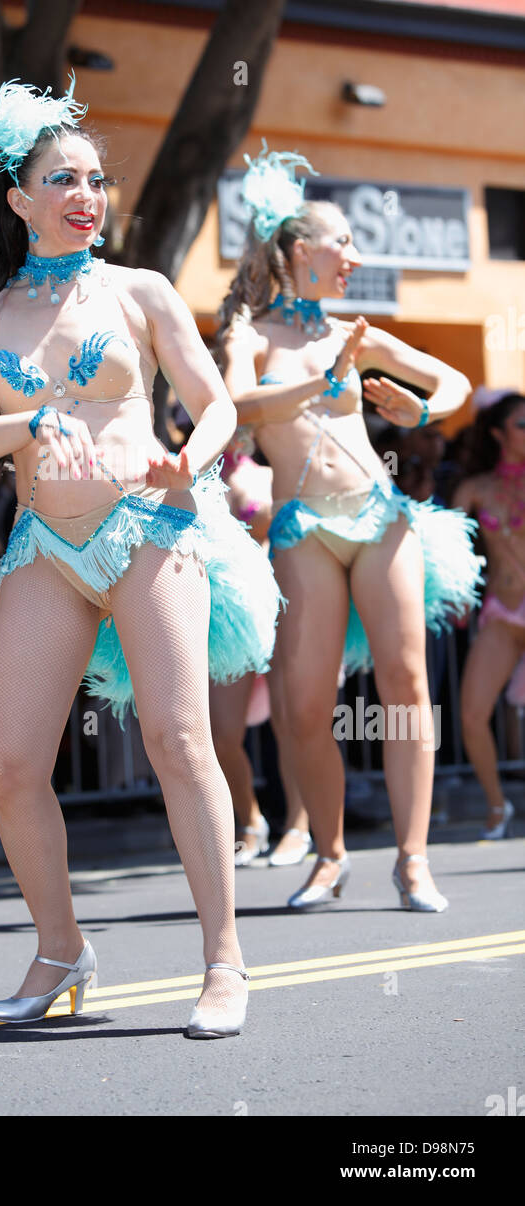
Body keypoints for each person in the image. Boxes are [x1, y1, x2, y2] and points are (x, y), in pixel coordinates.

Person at [0, 77, 282, 1038]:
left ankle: (223, 962)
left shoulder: (143, 290)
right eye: (62, 180)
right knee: (10, 763)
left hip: (146, 528)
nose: (87, 195)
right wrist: (29, 423)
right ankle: (61, 949)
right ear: (19, 199)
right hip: (46, 543)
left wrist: (190, 460)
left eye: (94, 179)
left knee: (178, 742)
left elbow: (215, 404)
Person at [217, 144, 484, 914]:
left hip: (379, 519)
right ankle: (329, 855)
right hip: (302, 528)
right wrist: (318, 380)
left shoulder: (353, 332)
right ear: (302, 250)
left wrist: (421, 408)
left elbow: (455, 382)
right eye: (344, 244)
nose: (354, 257)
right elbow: (235, 408)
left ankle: (412, 859)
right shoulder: (249, 330)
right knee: (304, 707)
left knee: (405, 685)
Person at [209, 434, 311, 867]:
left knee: (293, 725)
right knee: (222, 734)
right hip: (228, 617)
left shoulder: (272, 475)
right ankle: (250, 821)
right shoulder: (188, 474)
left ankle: (299, 826)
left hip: (278, 607)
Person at [453, 392, 525, 838]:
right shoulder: (474, 489)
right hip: (501, 610)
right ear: (498, 434)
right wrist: (458, 593)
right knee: (472, 713)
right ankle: (498, 806)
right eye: (522, 424)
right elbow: (451, 548)